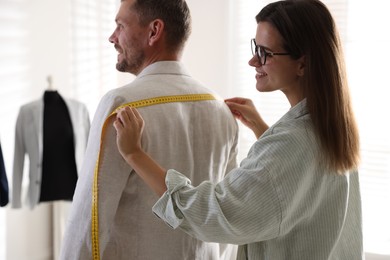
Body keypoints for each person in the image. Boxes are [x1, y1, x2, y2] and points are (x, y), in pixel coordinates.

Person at [113, 0, 363, 259]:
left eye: (265, 52)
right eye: (256, 47)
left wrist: (135, 154)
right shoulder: (332, 128)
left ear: (302, 64)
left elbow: (214, 213)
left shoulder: (293, 142)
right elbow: (296, 184)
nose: (253, 60)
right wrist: (263, 130)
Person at [60, 0, 239, 259]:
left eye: (120, 25)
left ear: (154, 31)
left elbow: (90, 220)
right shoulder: (221, 107)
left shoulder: (121, 105)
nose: (112, 37)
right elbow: (225, 215)